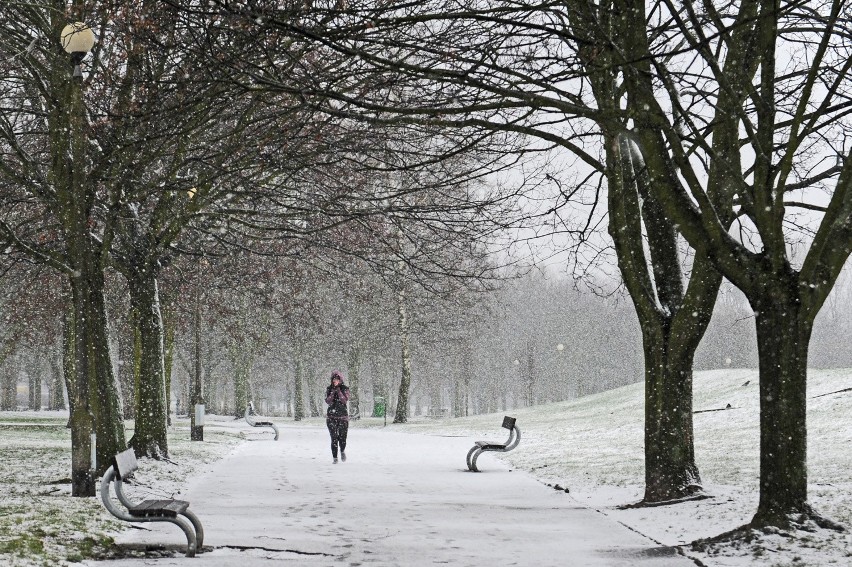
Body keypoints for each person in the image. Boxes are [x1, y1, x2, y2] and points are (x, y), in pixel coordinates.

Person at [325, 370, 350, 464]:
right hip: (331, 417)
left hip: (343, 417)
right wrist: (332, 392)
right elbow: (328, 401)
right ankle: (335, 458)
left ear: (340, 380)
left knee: (342, 438)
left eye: (337, 379)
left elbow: (344, 400)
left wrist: (338, 390)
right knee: (334, 438)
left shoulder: (345, 389)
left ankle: (342, 451)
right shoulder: (329, 389)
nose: (335, 381)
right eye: (333, 379)